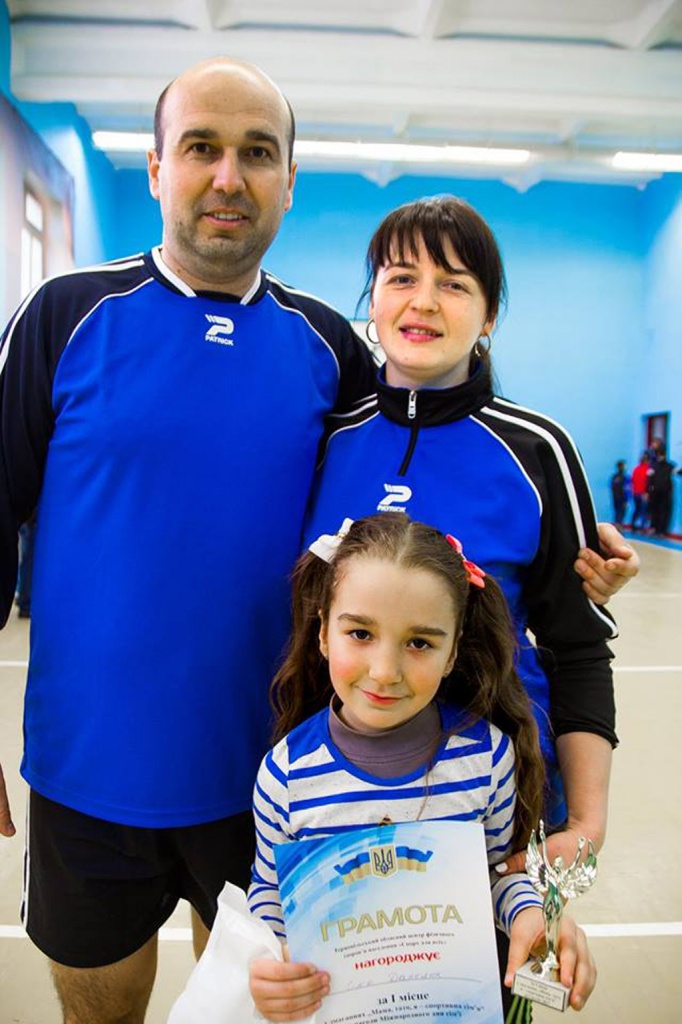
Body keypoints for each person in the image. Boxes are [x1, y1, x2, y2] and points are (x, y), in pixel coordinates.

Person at [0, 59, 634, 1022]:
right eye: (202, 147)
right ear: (158, 165)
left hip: (280, 782)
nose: (229, 176)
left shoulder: (329, 348)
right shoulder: (65, 313)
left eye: (257, 153)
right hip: (88, 777)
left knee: (262, 1011)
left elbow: (427, 454)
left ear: (289, 180)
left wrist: (575, 548)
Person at [304, 195, 618, 884]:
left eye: (453, 284)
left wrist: (587, 824)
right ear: (374, 298)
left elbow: (578, 647)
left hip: (499, 808)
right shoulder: (327, 439)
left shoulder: (538, 450)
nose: (423, 301)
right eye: (402, 278)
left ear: (489, 315)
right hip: (338, 806)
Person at [247, 514, 596, 1022]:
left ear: (453, 651)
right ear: (323, 633)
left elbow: (498, 873)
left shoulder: (487, 758)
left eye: (419, 643)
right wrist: (265, 963)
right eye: (360, 633)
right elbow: (270, 893)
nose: (384, 672)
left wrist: (531, 915)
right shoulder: (286, 775)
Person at [647, 438, 675, 537]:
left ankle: (661, 531)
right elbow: (649, 479)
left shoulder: (670, 466)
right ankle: (655, 528)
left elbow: (678, 472)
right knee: (655, 511)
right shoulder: (653, 466)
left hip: (666, 493)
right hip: (655, 493)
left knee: (664, 512)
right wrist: (648, 491)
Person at [630, 451, 651, 532]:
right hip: (643, 493)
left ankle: (633, 525)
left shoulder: (636, 469)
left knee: (636, 509)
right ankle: (642, 527)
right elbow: (648, 482)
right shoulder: (648, 469)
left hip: (635, 493)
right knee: (644, 511)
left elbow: (633, 480)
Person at [609, 459, 629, 526]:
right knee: (621, 514)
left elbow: (612, 488)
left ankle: (617, 525)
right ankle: (618, 526)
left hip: (615, 499)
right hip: (621, 500)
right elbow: (626, 490)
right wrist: (626, 500)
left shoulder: (614, 477)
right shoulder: (624, 478)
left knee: (617, 514)